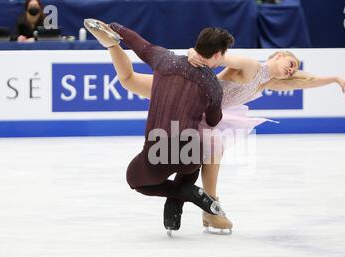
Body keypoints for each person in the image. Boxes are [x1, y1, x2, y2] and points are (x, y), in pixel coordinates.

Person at [85, 20, 345, 234]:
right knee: (130, 82)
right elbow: (222, 58)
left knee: (208, 148)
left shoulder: (267, 81)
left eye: (293, 68)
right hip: (198, 103)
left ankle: (203, 206)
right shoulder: (252, 66)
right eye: (290, 62)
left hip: (202, 109)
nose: (291, 69)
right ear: (276, 55)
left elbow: (304, 80)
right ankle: (208, 204)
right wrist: (195, 54)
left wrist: (335, 78)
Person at [84, 19, 235, 236]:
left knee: (134, 180)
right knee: (195, 154)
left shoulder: (165, 60)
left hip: (158, 152)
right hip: (191, 154)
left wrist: (114, 27)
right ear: (219, 55)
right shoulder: (213, 86)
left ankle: (186, 192)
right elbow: (212, 121)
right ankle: (177, 205)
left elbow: (138, 43)